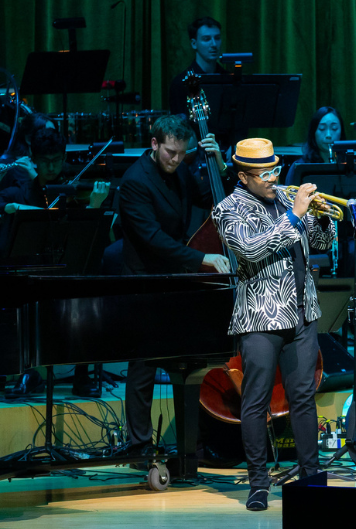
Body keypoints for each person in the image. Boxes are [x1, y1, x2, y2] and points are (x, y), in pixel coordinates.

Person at [212, 138, 335, 511]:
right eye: (264, 173)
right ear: (243, 176)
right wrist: (296, 215)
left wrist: (323, 216)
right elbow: (251, 248)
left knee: (303, 398)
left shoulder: (286, 196)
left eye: (276, 169)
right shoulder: (227, 208)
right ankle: (258, 483)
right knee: (255, 402)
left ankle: (311, 477)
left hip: (302, 313)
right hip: (260, 317)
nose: (273, 178)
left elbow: (319, 242)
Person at [118, 114, 230, 457]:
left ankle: (190, 446)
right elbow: (153, 239)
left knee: (187, 364)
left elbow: (205, 198)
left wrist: (217, 163)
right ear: (154, 144)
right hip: (145, 283)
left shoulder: (179, 168)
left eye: (182, 153)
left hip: (178, 281)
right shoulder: (135, 181)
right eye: (170, 152)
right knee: (143, 369)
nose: (177, 159)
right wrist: (202, 259)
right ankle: (139, 448)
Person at [0, 127, 111, 398]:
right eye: (45, 160)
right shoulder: (19, 192)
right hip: (28, 274)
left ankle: (82, 375)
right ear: (33, 159)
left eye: (57, 160)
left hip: (66, 272)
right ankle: (26, 371)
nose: (52, 167)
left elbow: (95, 244)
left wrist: (95, 205)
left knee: (89, 295)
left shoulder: (72, 190)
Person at [284, 107, 356, 279]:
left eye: (334, 128)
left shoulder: (351, 167)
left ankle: (351, 300)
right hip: (310, 236)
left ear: (341, 132)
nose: (328, 134)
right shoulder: (301, 167)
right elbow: (288, 205)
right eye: (322, 129)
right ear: (314, 132)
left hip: (344, 235)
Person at [168, 17, 225, 116]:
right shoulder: (180, 83)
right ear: (194, 44)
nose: (214, 44)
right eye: (206, 39)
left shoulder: (228, 79)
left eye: (217, 38)